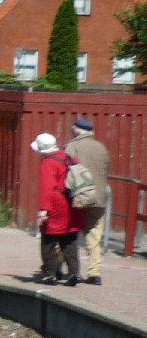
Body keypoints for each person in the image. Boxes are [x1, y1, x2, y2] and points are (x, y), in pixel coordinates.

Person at [31, 132, 85, 285]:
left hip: (57, 206)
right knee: (69, 240)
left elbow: (47, 188)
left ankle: (50, 274)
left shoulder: (48, 163)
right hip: (73, 204)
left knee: (48, 240)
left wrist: (43, 210)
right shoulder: (68, 158)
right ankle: (74, 273)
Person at [66, 117, 109, 286]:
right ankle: (94, 272)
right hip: (98, 198)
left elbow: (67, 170)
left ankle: (67, 269)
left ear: (77, 130)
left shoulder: (73, 146)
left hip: (79, 196)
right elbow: (106, 170)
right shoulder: (102, 148)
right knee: (94, 236)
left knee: (69, 233)